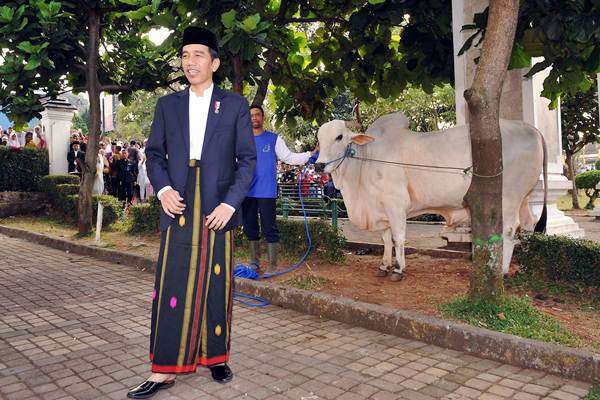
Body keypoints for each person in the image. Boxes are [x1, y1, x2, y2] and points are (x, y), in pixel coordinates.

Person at [126, 27, 256, 399]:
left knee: (217, 282)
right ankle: (163, 369)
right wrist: (164, 190)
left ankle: (216, 357)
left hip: (218, 204)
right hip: (178, 202)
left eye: (198, 55)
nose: (190, 62)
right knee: (172, 283)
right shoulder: (168, 105)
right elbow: (153, 154)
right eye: (185, 55)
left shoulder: (234, 105)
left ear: (214, 62)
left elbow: (246, 161)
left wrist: (231, 203)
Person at [242, 105, 318, 273]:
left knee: (270, 227)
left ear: (263, 118)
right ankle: (254, 262)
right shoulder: (242, 139)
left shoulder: (273, 139)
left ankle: (272, 265)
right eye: (251, 115)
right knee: (250, 227)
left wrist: (309, 155)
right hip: (246, 192)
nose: (254, 118)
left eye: (257, 115)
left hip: (266, 191)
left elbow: (288, 157)